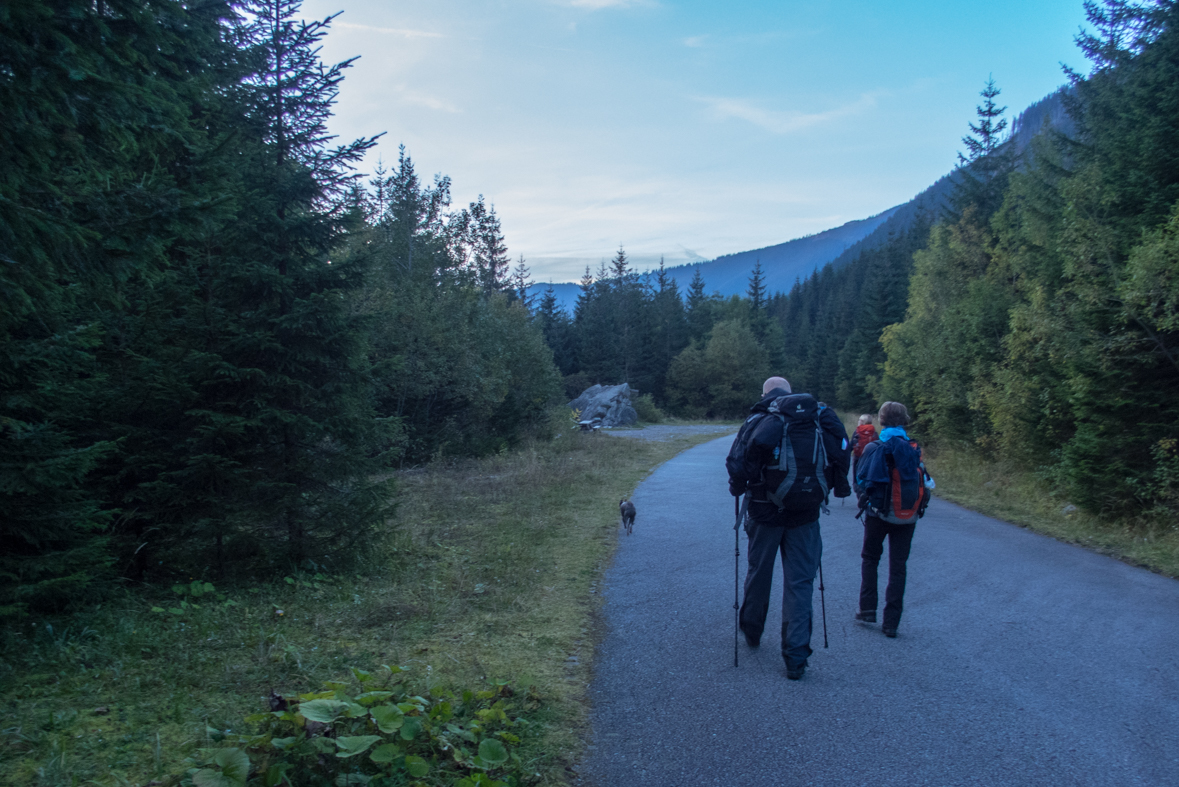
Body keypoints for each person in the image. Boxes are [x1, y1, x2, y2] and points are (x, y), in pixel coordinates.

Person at [726, 376, 851, 680]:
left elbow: (737, 465)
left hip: (764, 512)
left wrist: (738, 487)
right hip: (806, 515)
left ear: (765, 394)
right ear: (791, 393)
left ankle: (752, 630)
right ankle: (796, 657)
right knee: (800, 582)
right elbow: (842, 453)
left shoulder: (760, 418)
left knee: (759, 572)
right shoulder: (818, 418)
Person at [854, 401, 933, 638]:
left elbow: (860, 480)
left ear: (881, 420)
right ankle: (891, 623)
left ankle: (867, 609)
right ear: (905, 421)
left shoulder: (875, 447)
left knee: (870, 558)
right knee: (898, 567)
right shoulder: (913, 447)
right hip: (907, 516)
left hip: (877, 514)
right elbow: (925, 480)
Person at [850, 414, 878, 492]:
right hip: (871, 459)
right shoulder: (874, 432)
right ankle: (867, 492)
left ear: (862, 422)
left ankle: (857, 489)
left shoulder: (857, 431)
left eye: (859, 420)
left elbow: (851, 445)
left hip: (858, 458)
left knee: (857, 476)